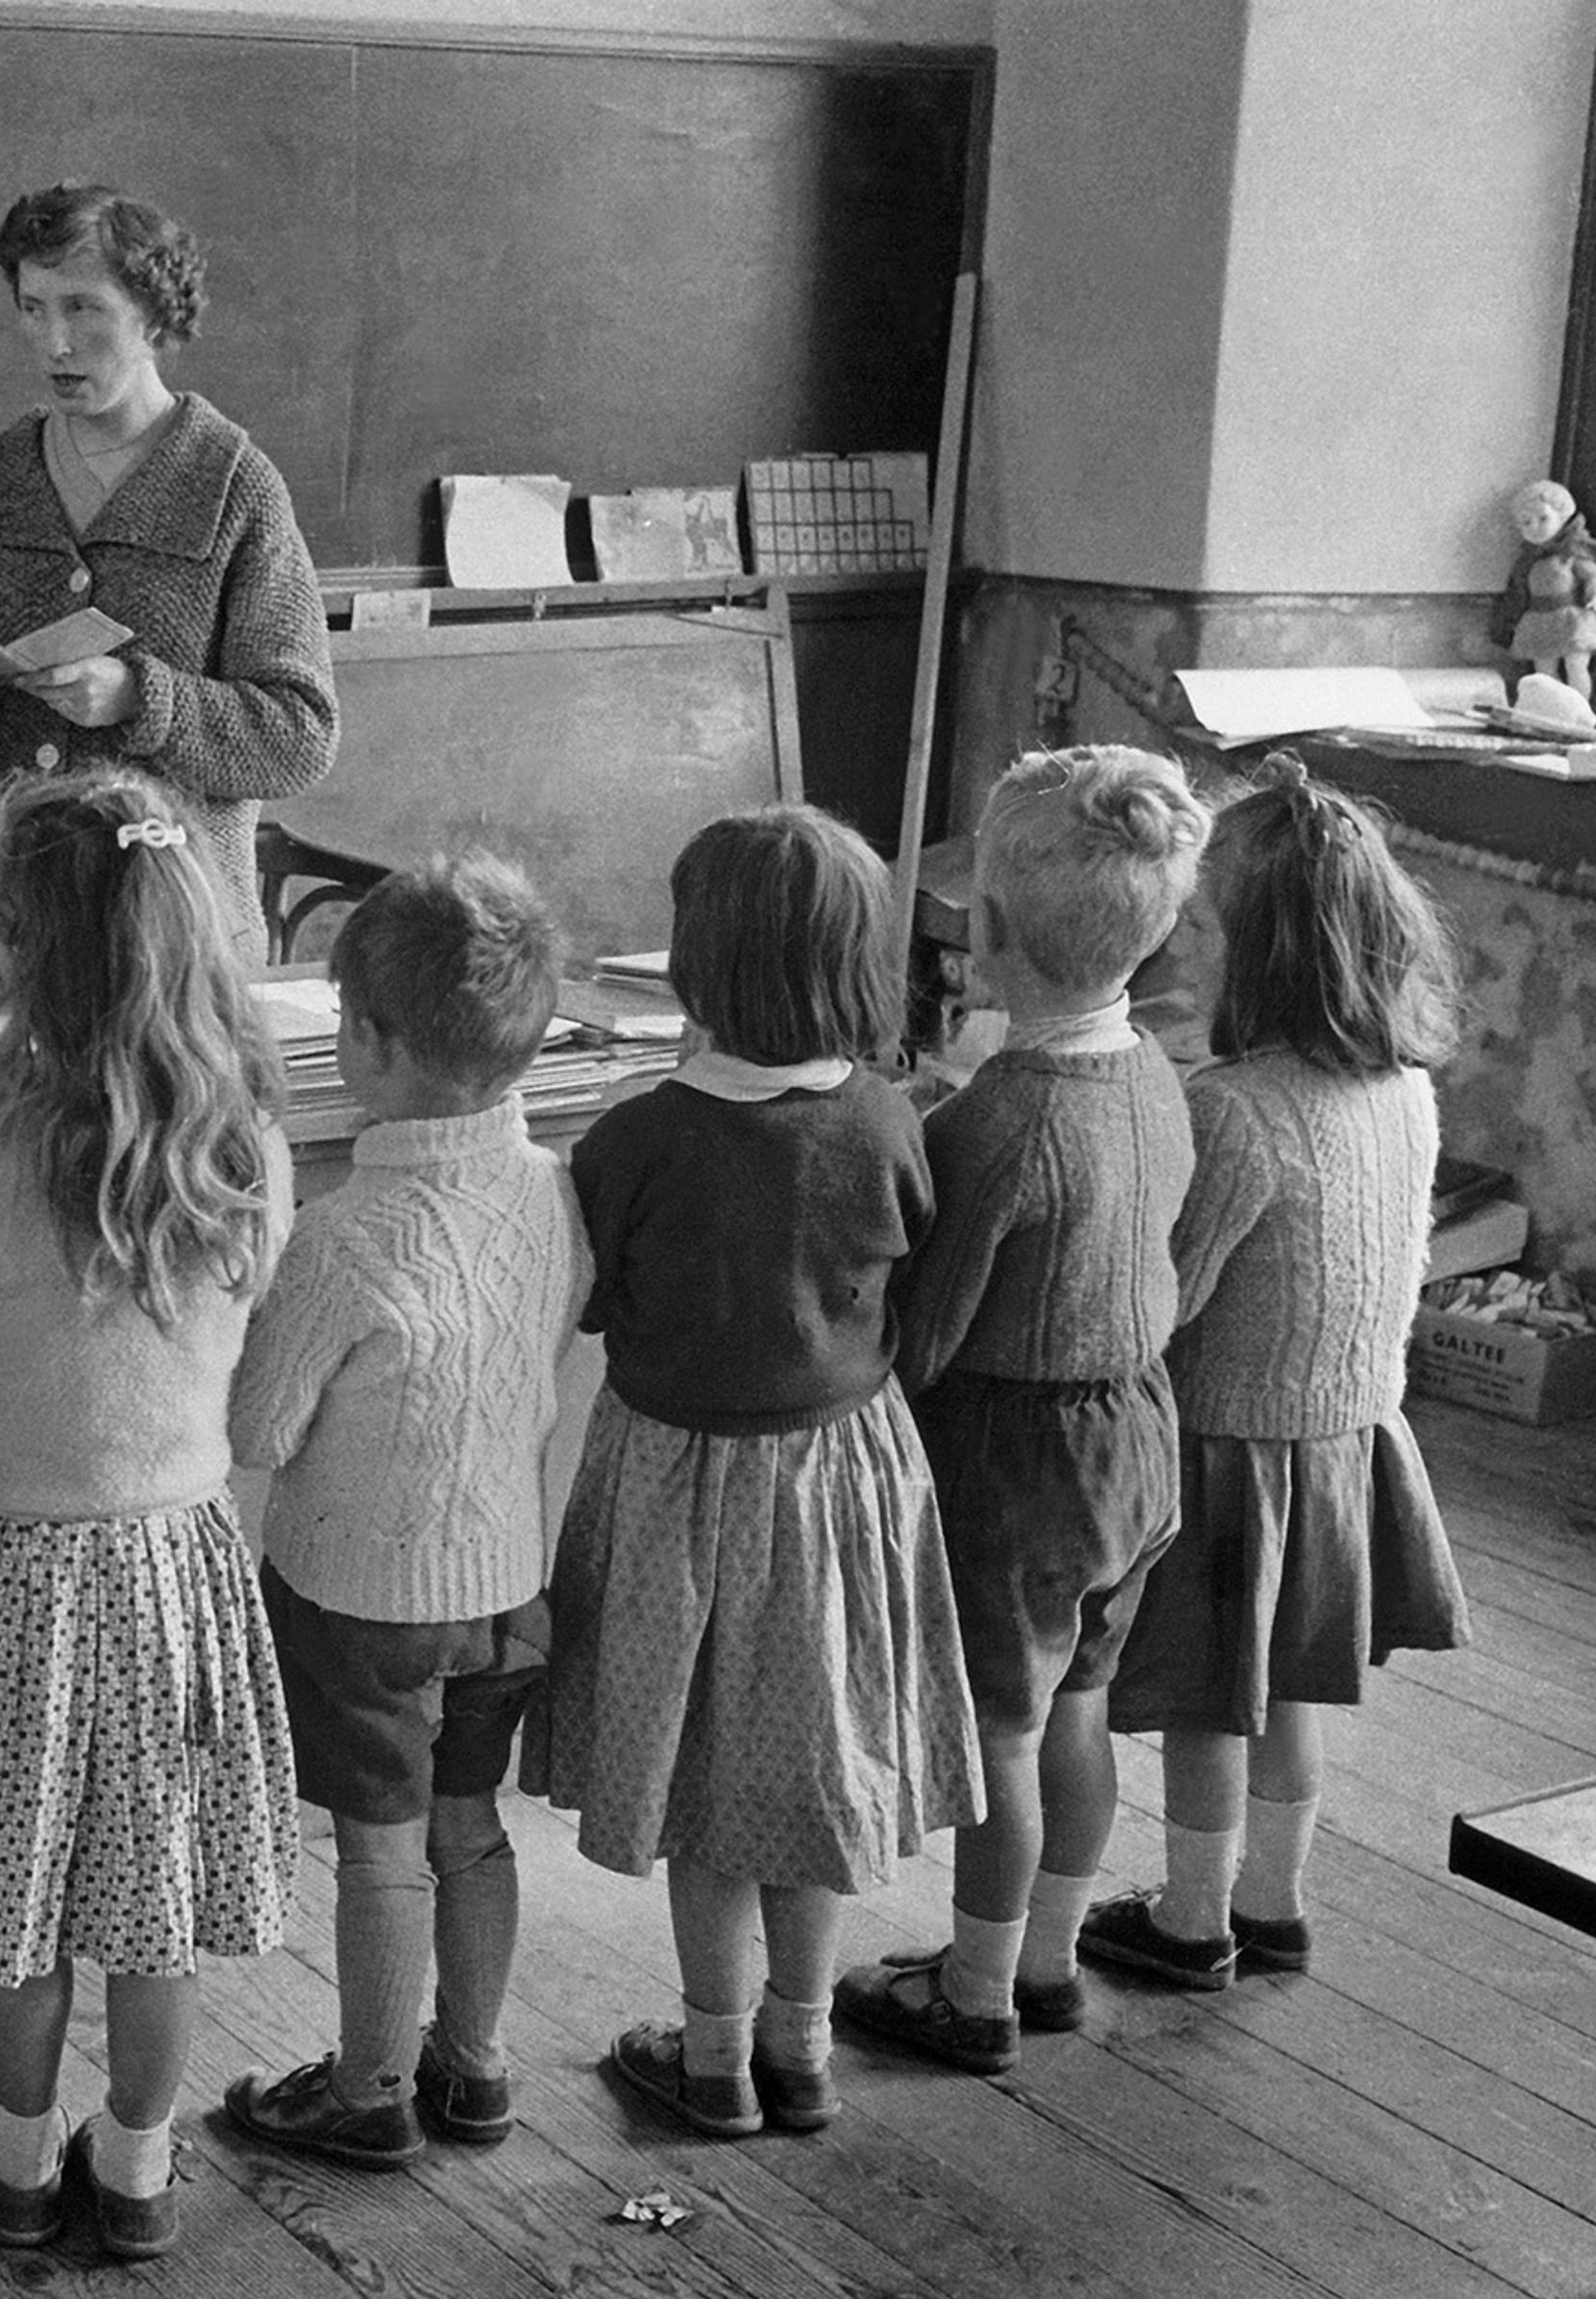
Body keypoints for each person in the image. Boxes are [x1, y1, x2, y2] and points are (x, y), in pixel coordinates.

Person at [0, 769, 297, 2261]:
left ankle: (27, 2165)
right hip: (173, 1566)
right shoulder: (249, 1148)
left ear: (21, 952)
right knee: (150, 1898)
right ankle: (145, 2167)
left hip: (2, 1574)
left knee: (21, 1894)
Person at [540, 804, 979, 2141]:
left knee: (703, 1789)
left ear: (693, 967)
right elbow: (905, 1248)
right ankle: (801, 2049)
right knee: (810, 1770)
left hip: (679, 1481)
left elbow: (598, 1301)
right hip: (842, 1479)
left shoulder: (633, 1139)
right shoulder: (886, 1120)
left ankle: (716, 2058)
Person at [830, 749, 1208, 2072]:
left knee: (1003, 1727)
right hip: (1135, 1434)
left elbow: (922, 1335)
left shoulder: (1003, 1117)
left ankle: (975, 1990)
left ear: (981, 932)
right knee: (1081, 1706)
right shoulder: (1153, 1070)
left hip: (1018, 1459)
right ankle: (1044, 1962)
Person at [218, 856, 586, 2169]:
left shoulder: (344, 1233)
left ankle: (370, 2088)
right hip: (506, 1582)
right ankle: (474, 2068)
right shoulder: (550, 1189)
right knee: (471, 1822)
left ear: (365, 1044)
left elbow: (257, 1430)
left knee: (382, 1848)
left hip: (365, 1600)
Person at [1081, 764, 1472, 1991]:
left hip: (1229, 1449)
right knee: (1291, 1691)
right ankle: (1276, 1902)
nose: (1176, 945)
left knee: (1206, 1705)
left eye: (1199, 926)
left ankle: (1192, 1923)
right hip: (1348, 1437)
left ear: (1270, 953)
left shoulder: (1238, 1111)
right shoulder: (1404, 1086)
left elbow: (1164, 1301)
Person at [0, 183, 337, 994]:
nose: (53, 342)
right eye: (32, 308)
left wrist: (140, 698)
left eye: (83, 309)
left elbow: (300, 736)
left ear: (154, 314)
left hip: (165, 954)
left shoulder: (234, 484)